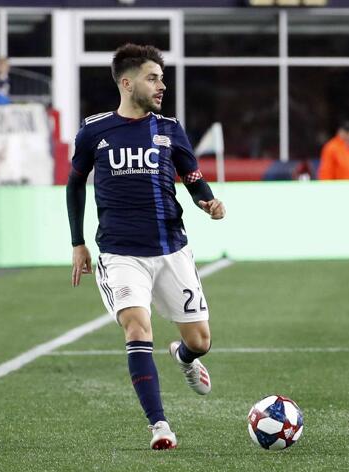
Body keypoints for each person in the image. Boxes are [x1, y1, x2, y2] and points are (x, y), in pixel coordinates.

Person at [66, 43, 226, 450]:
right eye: (153, 78)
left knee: (201, 341)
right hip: (120, 253)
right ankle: (160, 426)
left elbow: (193, 178)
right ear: (127, 83)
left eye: (162, 78)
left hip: (171, 249)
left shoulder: (170, 129)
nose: (161, 86)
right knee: (137, 328)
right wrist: (78, 243)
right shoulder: (94, 131)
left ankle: (184, 357)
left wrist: (208, 201)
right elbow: (74, 184)